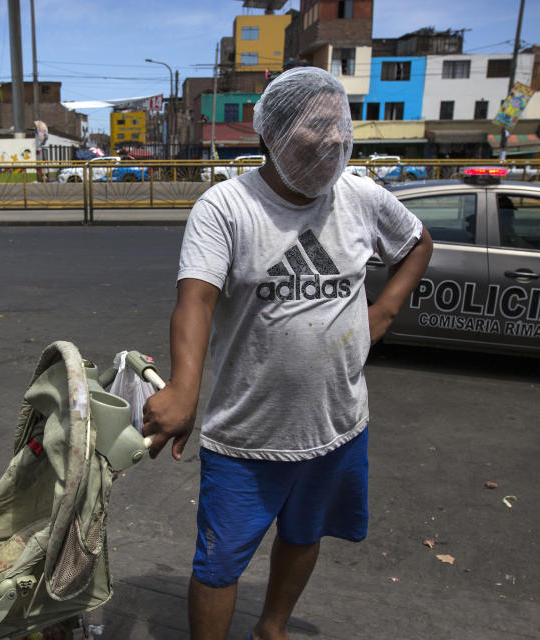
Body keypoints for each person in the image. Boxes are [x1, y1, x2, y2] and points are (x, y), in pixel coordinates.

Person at [141, 67, 433, 640]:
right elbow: (195, 300)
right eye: (313, 125)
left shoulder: (361, 196)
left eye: (336, 125)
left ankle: (270, 628)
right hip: (246, 438)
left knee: (304, 534)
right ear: (272, 134)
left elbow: (417, 243)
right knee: (219, 564)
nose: (329, 139)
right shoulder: (226, 207)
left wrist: (384, 312)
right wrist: (183, 388)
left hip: (338, 424)